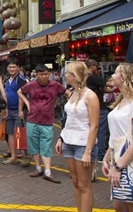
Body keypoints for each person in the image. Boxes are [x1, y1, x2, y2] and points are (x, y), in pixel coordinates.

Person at [55, 61, 99, 212]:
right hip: (68, 141)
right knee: (75, 181)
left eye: (67, 73)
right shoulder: (72, 93)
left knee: (84, 184)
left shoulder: (90, 96)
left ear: (74, 76)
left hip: (83, 143)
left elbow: (94, 126)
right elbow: (69, 119)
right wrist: (61, 138)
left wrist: (88, 151)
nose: (65, 75)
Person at [18, 64, 67, 184]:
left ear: (49, 74)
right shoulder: (31, 85)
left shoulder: (55, 85)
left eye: (46, 74)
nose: (44, 77)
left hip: (47, 121)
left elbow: (66, 93)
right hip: (32, 119)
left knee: (46, 145)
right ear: (37, 75)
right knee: (33, 145)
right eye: (41, 74)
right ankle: (38, 168)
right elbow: (20, 92)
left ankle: (48, 171)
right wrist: (27, 104)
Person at [102, 63, 133, 211]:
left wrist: (118, 166)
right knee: (119, 205)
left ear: (125, 77)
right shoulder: (121, 100)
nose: (112, 76)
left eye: (115, 73)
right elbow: (117, 134)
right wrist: (107, 157)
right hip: (118, 158)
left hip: (127, 160)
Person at [2, 58, 29, 166]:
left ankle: (26, 155)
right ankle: (14, 157)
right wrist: (5, 109)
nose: (12, 69)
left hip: (19, 111)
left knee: (21, 133)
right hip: (10, 111)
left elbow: (21, 95)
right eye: (10, 67)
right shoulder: (7, 80)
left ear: (18, 68)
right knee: (10, 134)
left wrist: (20, 110)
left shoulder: (21, 79)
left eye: (14, 67)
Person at [85, 59, 108, 163]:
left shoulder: (84, 77)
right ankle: (100, 154)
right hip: (99, 107)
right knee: (101, 131)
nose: (97, 68)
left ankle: (93, 152)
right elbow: (106, 86)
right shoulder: (93, 77)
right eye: (96, 66)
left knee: (92, 129)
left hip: (89, 106)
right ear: (92, 66)